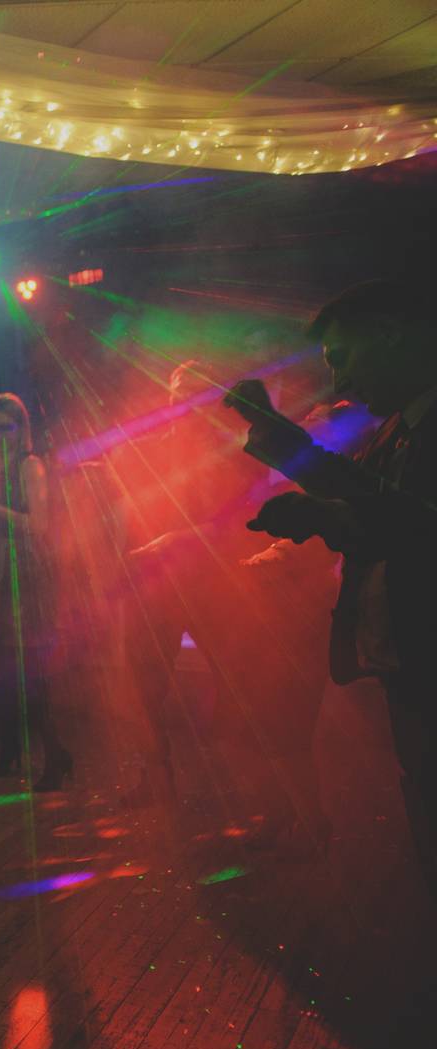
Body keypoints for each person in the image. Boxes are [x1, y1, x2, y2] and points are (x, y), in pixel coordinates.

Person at [230, 280, 437, 893]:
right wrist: (280, 447)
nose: (340, 383)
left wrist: (321, 512)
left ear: (392, 336)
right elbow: (371, 504)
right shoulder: (402, 423)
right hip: (408, 659)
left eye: (342, 359)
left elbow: (412, 520)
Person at [116, 362, 338, 854]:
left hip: (228, 586)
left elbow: (245, 519)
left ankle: (296, 815)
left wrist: (174, 541)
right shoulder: (160, 449)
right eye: (176, 394)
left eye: (197, 394)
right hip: (165, 586)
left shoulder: (243, 448)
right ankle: (162, 777)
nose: (185, 403)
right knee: (144, 680)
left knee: (252, 708)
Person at [0, 392, 72, 790]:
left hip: (24, 575)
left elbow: (37, 525)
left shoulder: (29, 465)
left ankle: (55, 755)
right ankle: (11, 750)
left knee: (28, 673)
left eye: (6, 427)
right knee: (1, 671)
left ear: (22, 430)